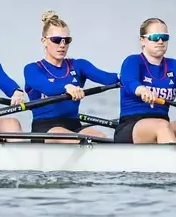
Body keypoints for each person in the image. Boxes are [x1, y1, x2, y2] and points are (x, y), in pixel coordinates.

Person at [22, 10, 119, 142]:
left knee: (101, 138)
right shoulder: (32, 69)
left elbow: (108, 78)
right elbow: (49, 88)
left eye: (66, 40)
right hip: (45, 128)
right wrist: (67, 87)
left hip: (74, 125)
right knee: (74, 139)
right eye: (56, 40)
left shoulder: (79, 65)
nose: (62, 45)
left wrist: (129, 78)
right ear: (44, 41)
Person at [114, 17, 176, 144]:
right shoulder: (132, 62)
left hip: (163, 123)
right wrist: (142, 90)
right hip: (131, 126)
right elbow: (130, 82)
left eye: (164, 37)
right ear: (142, 40)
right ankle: (174, 153)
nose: (160, 41)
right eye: (154, 37)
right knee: (162, 126)